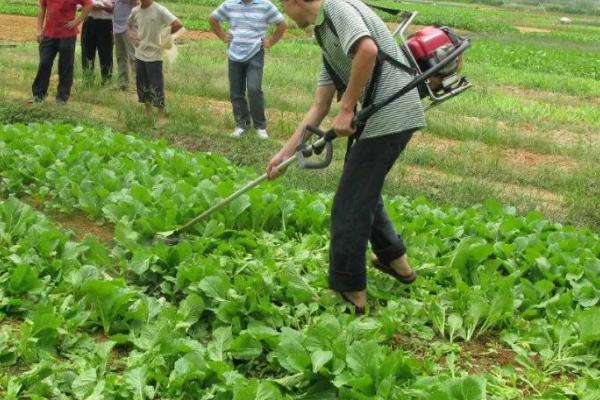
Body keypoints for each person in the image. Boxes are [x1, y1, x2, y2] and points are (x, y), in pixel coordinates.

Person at [266, 0, 426, 314]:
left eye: (284, 7)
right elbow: (319, 105)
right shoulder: (324, 35)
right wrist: (285, 153)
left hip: (390, 115)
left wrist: (348, 107)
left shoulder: (337, 8)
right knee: (363, 192)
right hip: (381, 117)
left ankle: (350, 289)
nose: (286, 14)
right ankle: (398, 264)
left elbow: (368, 51)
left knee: (349, 204)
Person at [209, 0, 287, 140]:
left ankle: (260, 127)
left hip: (255, 54)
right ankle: (242, 125)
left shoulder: (265, 5)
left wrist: (270, 41)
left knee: (254, 88)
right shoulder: (230, 4)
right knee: (236, 91)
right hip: (234, 54)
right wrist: (222, 36)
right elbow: (213, 18)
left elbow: (282, 23)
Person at [128, 0, 183, 122]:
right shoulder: (135, 11)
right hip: (139, 53)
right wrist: (132, 36)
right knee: (142, 84)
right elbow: (128, 25)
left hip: (155, 55)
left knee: (156, 85)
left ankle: (160, 115)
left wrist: (166, 36)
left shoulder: (159, 10)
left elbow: (178, 24)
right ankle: (148, 112)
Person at [31, 0, 93, 104]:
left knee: (66, 66)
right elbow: (42, 8)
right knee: (44, 63)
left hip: (67, 35)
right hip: (48, 34)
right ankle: (38, 95)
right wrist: (39, 30)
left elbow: (89, 4)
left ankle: (62, 97)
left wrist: (77, 21)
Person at [81, 0, 114, 85]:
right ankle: (87, 79)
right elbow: (79, 6)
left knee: (106, 52)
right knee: (87, 52)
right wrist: (89, 6)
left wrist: (102, 7)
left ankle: (106, 80)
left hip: (105, 22)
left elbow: (114, 8)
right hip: (89, 21)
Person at [113, 0, 138, 90]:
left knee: (134, 56)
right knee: (120, 56)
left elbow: (138, 2)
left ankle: (139, 84)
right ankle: (122, 83)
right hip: (117, 27)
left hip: (129, 27)